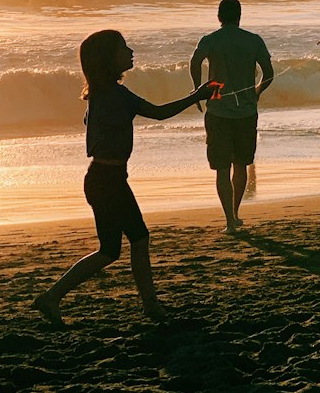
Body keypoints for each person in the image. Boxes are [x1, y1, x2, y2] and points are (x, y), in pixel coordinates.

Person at [32, 30, 212, 326]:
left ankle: (59, 298)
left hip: (103, 178)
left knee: (117, 247)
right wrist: (197, 95)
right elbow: (159, 113)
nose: (130, 51)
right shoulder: (116, 95)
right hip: (108, 181)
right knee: (128, 242)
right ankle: (143, 304)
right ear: (108, 59)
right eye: (123, 48)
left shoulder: (100, 94)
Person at [190, 0, 274, 234]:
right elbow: (268, 73)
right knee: (241, 164)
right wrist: (256, 92)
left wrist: (198, 90)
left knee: (221, 167)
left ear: (219, 17)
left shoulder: (210, 40)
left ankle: (229, 220)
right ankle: (236, 214)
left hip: (217, 110)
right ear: (239, 16)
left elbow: (194, 61)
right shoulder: (253, 40)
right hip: (246, 111)